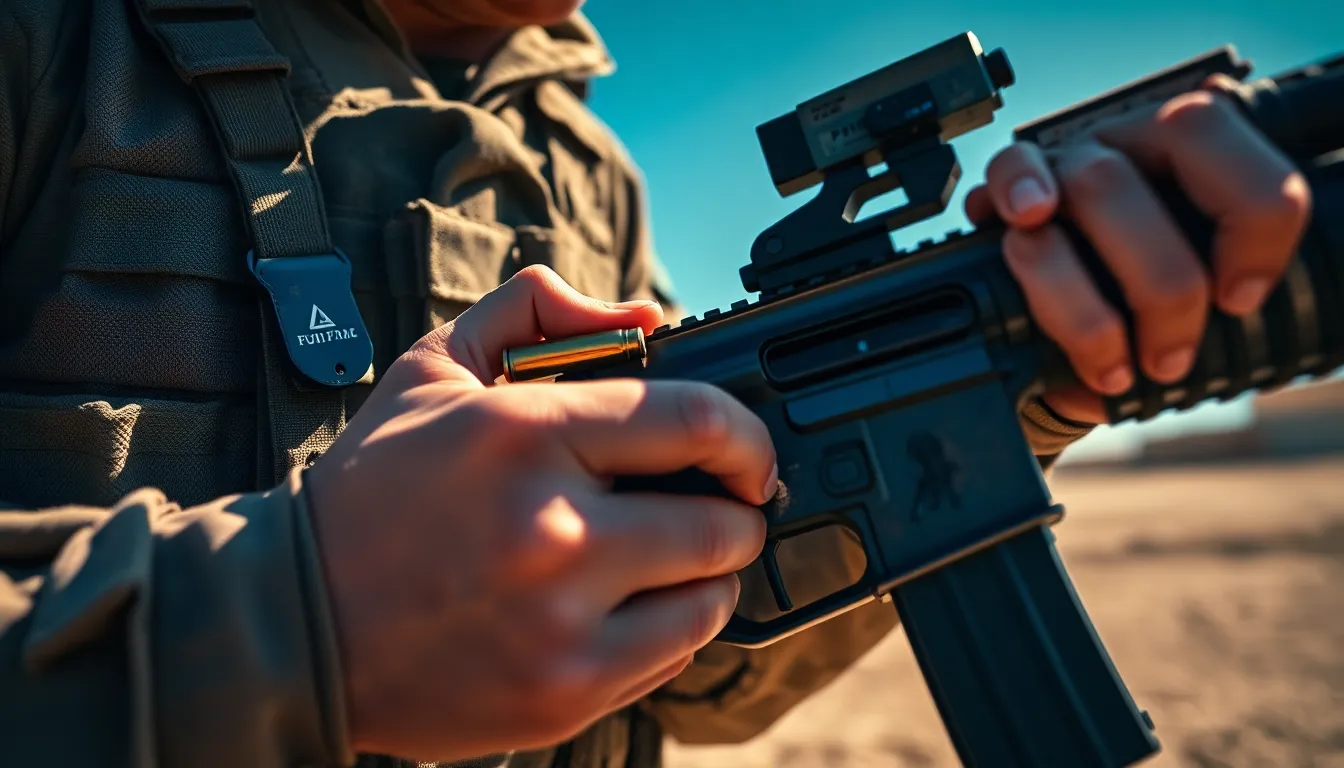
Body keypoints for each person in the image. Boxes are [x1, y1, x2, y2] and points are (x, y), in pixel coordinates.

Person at [0, 0, 1311, 766]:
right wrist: (286, 622)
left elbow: (699, 662)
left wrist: (1011, 388)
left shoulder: (586, 170)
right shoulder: (61, 47)